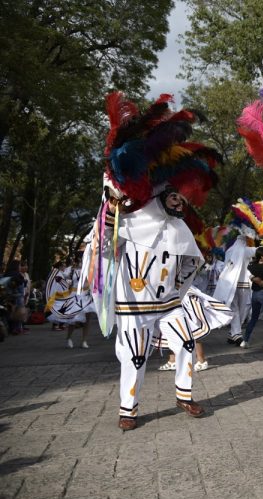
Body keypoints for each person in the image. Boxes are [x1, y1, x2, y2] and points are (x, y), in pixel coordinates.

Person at [83, 92, 220, 431]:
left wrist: (178, 286)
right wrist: (106, 235)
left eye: (179, 196)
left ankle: (184, 394)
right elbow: (99, 257)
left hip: (170, 303)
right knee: (135, 355)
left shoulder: (177, 226)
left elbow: (192, 260)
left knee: (186, 341)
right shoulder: (121, 222)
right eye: (174, 196)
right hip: (134, 305)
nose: (179, 200)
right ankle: (128, 409)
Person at [156, 285, 233, 372]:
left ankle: (201, 360)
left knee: (192, 328)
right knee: (168, 329)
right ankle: (173, 360)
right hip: (168, 296)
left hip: (182, 295)